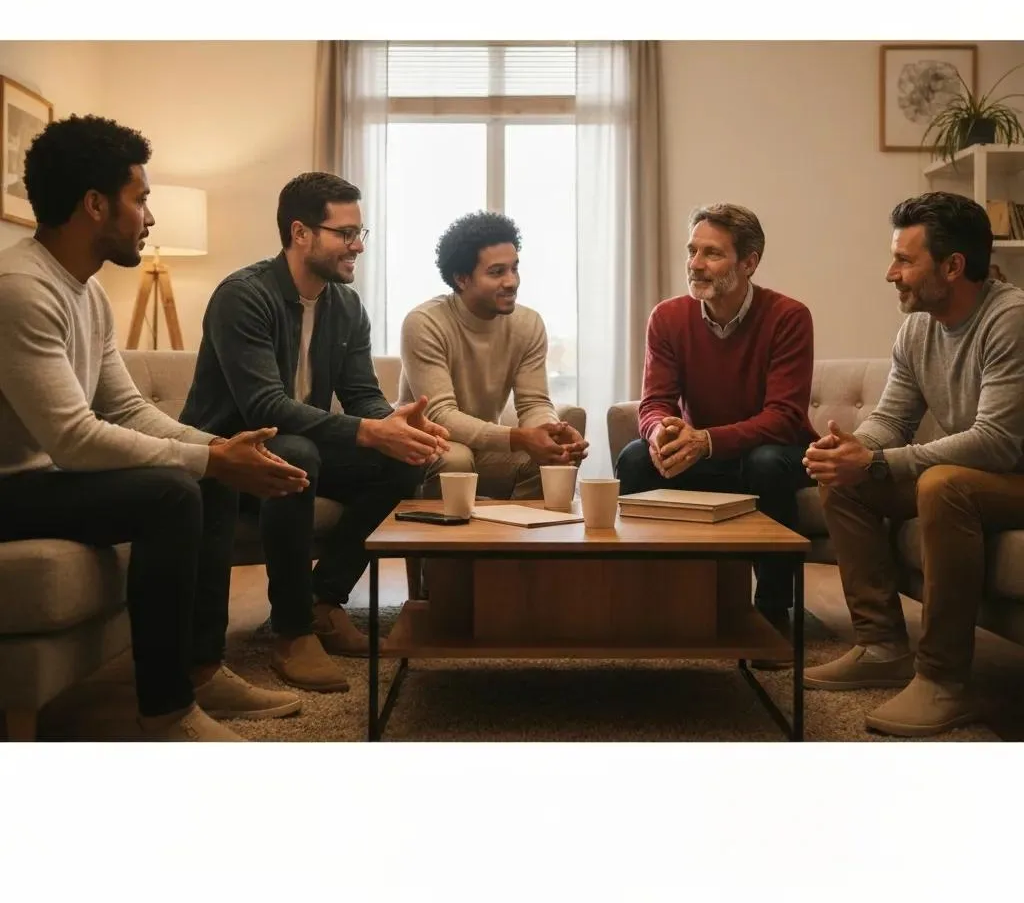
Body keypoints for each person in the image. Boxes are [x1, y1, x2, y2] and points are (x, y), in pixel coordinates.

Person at [0, 115, 309, 742]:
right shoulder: (22, 290)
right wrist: (206, 460)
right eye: (140, 198)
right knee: (173, 491)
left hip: (43, 478)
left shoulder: (85, 293)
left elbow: (127, 409)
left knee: (205, 479)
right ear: (94, 205)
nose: (149, 217)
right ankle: (166, 711)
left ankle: (199, 670)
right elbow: (74, 437)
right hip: (12, 486)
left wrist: (218, 451)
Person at [179, 173, 448, 694]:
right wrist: (368, 431)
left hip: (299, 449)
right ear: (300, 233)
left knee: (406, 459)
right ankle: (291, 632)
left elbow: (361, 393)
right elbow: (264, 408)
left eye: (361, 231)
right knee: (297, 450)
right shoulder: (243, 296)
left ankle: (322, 602)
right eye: (345, 233)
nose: (358, 246)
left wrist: (394, 425)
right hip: (229, 457)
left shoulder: (345, 306)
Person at [803, 191, 1024, 737]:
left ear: (952, 266)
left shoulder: (1011, 319)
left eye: (904, 260)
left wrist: (878, 461)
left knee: (943, 485)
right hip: (983, 475)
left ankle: (945, 679)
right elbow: (892, 420)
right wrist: (852, 450)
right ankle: (880, 645)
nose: (890, 273)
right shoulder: (918, 327)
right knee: (844, 478)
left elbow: (997, 442)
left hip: (1011, 473)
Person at [615, 203, 817, 649]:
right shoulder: (667, 317)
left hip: (773, 450)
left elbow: (783, 418)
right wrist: (660, 431)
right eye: (692, 251)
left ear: (749, 262)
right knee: (634, 458)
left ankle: (772, 606)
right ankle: (649, 595)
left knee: (765, 464)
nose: (695, 264)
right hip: (705, 450)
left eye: (712, 253)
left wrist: (707, 441)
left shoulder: (788, 317)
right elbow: (654, 403)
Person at [398, 210, 588, 504]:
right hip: (428, 442)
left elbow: (533, 402)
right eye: (497, 272)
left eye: (514, 268)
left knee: (555, 458)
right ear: (462, 279)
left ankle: (517, 544)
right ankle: (438, 550)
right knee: (456, 461)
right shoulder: (424, 322)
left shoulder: (528, 324)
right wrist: (519, 438)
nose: (512, 282)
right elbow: (440, 416)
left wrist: (549, 431)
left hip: (484, 448)